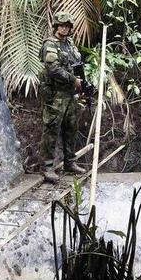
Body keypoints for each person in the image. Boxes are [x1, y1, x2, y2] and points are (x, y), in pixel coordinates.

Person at [38, 11, 87, 183]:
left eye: (67, 26)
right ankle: (46, 167)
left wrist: (82, 85)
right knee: (52, 130)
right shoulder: (50, 45)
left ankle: (70, 162)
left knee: (71, 129)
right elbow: (53, 69)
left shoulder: (70, 44)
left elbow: (77, 66)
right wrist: (74, 80)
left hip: (70, 94)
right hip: (56, 95)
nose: (65, 29)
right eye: (62, 26)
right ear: (56, 26)